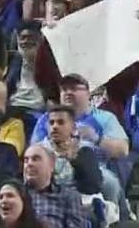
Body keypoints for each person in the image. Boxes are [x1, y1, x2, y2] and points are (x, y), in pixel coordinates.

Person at [32, 74, 131, 218]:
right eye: (64, 89)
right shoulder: (47, 119)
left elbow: (123, 150)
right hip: (55, 166)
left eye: (74, 88)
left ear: (88, 93)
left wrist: (96, 138)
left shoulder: (103, 118)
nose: (68, 92)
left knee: (110, 183)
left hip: (95, 169)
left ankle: (113, 222)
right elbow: (34, 149)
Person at [22, 145, 88, 228]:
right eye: (26, 160)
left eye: (36, 159)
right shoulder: (17, 195)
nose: (29, 164)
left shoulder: (69, 196)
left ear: (52, 165)